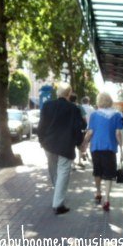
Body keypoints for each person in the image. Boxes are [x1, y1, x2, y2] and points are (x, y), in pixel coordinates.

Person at [37, 82, 86, 215]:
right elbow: (77, 128)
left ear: (58, 93)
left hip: (49, 145)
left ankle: (57, 194)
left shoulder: (47, 106)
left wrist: (41, 140)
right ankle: (58, 204)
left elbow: (41, 125)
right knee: (63, 173)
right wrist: (80, 143)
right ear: (69, 94)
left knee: (53, 171)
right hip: (65, 145)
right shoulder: (73, 109)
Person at [81, 92, 123, 212]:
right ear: (110, 101)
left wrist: (84, 144)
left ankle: (98, 191)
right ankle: (107, 199)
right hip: (110, 148)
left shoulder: (94, 115)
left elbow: (90, 132)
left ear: (99, 101)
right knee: (109, 174)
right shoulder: (117, 115)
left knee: (97, 171)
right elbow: (118, 133)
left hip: (96, 147)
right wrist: (121, 148)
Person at [69, 93, 87, 168]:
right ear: (76, 99)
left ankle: (73, 164)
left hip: (69, 129)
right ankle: (79, 161)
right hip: (78, 129)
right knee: (79, 145)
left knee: (71, 146)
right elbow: (84, 118)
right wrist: (85, 126)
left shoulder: (67, 106)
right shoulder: (79, 107)